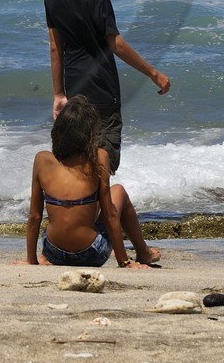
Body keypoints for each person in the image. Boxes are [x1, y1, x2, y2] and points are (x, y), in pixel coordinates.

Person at [45, 0, 169, 173]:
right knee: (103, 165)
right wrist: (153, 74)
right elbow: (116, 44)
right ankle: (103, 212)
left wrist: (59, 94)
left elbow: (55, 49)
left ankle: (78, 211)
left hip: (74, 93)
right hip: (102, 91)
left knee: (78, 164)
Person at [21, 97, 160, 268]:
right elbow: (110, 215)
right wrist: (124, 262)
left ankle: (42, 258)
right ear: (89, 135)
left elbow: (35, 216)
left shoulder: (42, 160)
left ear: (58, 130)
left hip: (53, 252)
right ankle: (143, 252)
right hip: (91, 253)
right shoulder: (99, 157)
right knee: (119, 191)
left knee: (78, 208)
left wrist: (31, 261)